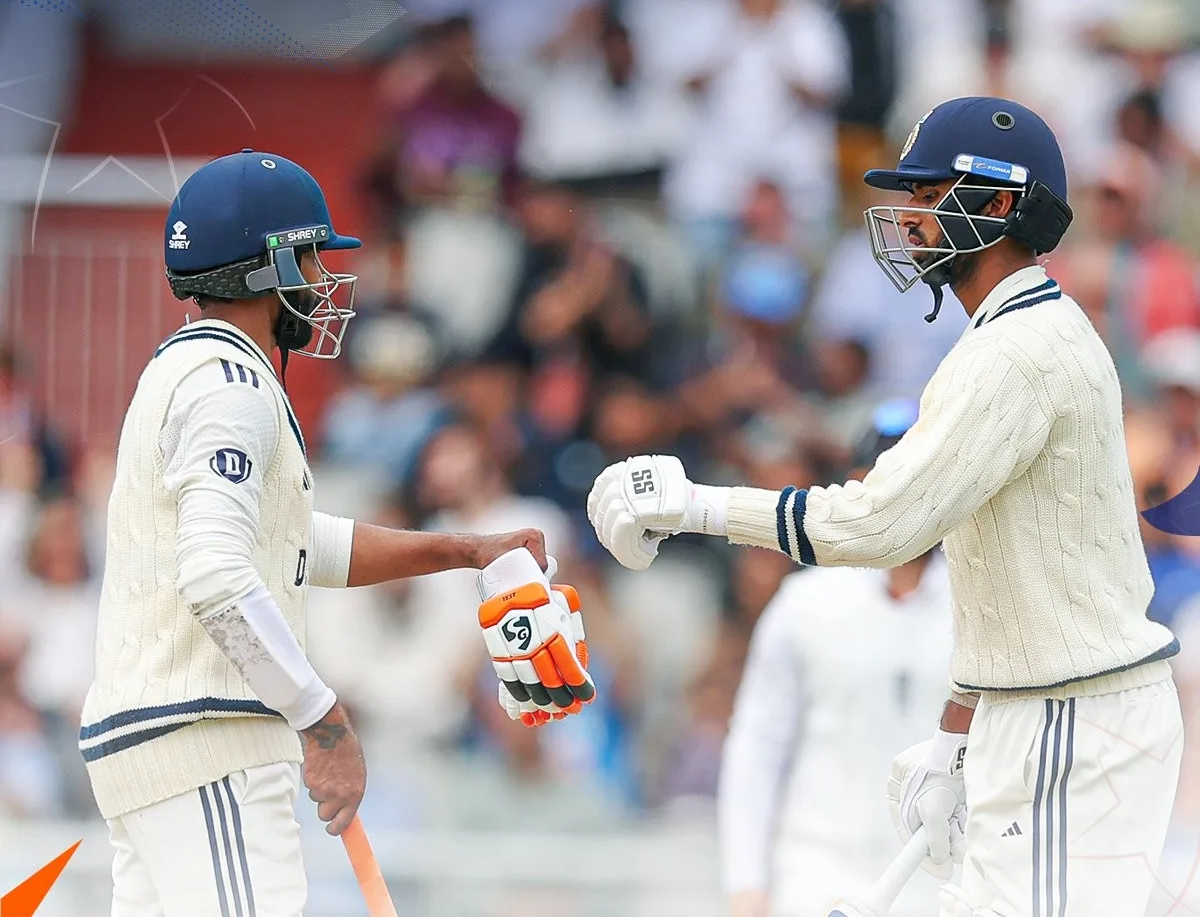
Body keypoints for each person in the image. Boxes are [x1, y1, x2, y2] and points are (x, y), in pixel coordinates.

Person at [588, 97, 1184, 917]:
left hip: (1072, 720)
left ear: (1000, 203)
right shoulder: (1008, 339)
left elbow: (876, 526)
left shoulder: (1020, 351)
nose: (909, 216)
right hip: (1043, 712)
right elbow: (1009, 582)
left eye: (929, 192)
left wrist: (692, 503)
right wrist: (955, 735)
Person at [79, 149, 567, 917]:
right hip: (212, 748)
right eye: (306, 256)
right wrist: (323, 721)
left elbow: (295, 546)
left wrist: (461, 551)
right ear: (260, 268)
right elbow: (214, 576)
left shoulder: (193, 371)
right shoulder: (231, 386)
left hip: (161, 749)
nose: (320, 280)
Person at [718, 399, 953, 917]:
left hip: (942, 882)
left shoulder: (980, 606)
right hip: (817, 872)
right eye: (888, 477)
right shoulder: (805, 602)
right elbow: (758, 745)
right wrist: (746, 884)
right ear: (856, 482)